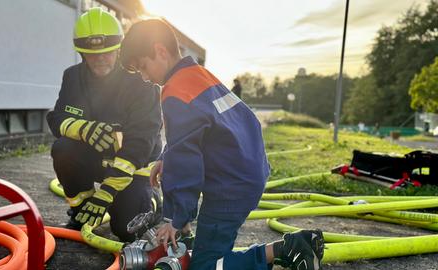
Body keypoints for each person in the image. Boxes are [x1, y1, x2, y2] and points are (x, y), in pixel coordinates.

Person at [119, 19, 324, 270]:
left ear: (161, 51)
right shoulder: (196, 76)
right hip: (246, 174)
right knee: (210, 247)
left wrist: (177, 218)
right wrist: (165, 155)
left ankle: (288, 249)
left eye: (143, 67)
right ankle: (303, 241)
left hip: (230, 187)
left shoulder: (174, 92)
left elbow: (186, 162)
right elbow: (192, 134)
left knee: (204, 266)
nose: (145, 77)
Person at [46, 8, 162, 242]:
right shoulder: (72, 77)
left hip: (133, 165)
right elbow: (56, 118)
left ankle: (153, 202)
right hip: (96, 158)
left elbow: (141, 142)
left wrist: (108, 192)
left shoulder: (140, 81)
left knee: (126, 229)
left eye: (107, 52)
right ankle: (82, 211)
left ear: (118, 48)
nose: (100, 58)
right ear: (81, 52)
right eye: (92, 54)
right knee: (62, 149)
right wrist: (84, 130)